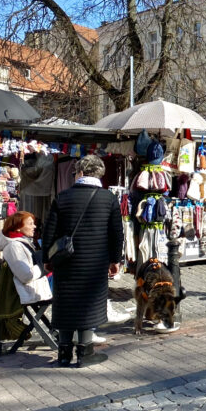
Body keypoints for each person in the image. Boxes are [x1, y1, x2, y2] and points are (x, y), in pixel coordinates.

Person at [43, 154, 124, 367]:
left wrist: (46, 259)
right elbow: (117, 234)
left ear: (79, 172)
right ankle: (85, 353)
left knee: (67, 303)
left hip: (66, 262)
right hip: (95, 262)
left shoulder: (63, 197)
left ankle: (63, 354)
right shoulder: (108, 198)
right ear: (100, 173)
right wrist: (115, 259)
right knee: (89, 304)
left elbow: (49, 231)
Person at [0, 211, 52, 306]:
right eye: (30, 224)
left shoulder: (23, 243)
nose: (34, 226)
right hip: (31, 293)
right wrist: (45, 267)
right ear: (18, 228)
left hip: (37, 289)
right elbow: (26, 275)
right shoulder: (14, 247)